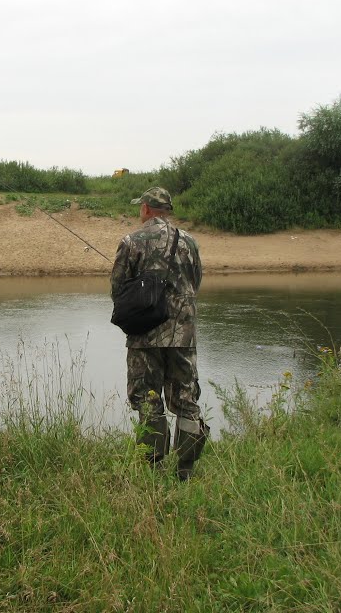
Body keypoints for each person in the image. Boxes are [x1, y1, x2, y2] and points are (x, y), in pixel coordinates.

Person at [110, 186, 208, 480]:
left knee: (148, 400)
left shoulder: (131, 241)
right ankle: (185, 471)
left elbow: (117, 290)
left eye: (141, 206)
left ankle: (152, 468)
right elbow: (197, 281)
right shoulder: (189, 242)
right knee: (187, 401)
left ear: (148, 209)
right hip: (184, 335)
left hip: (145, 335)